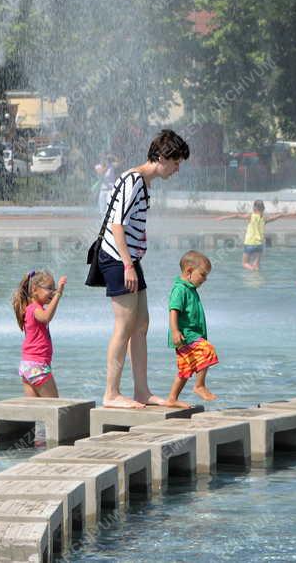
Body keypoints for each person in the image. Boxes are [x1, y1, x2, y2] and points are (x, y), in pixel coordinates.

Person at [99, 129, 190, 409]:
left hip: (129, 260)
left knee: (141, 325)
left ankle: (142, 391)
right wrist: (127, 264)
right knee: (124, 326)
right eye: (175, 163)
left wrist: (133, 260)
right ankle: (111, 394)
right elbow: (116, 225)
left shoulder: (142, 183)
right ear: (162, 157)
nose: (177, 169)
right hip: (117, 259)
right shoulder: (133, 180)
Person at [165, 251, 219, 407]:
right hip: (185, 335)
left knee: (185, 369)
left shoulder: (189, 288)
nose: (205, 279)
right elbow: (173, 310)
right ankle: (199, 385)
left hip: (189, 335)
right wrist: (175, 331)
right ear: (189, 271)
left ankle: (172, 399)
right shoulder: (180, 289)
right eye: (203, 275)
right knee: (207, 349)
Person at [11, 270, 66, 398]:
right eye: (49, 288)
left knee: (34, 410)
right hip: (37, 366)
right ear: (35, 290)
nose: (52, 292)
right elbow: (46, 317)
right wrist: (58, 294)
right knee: (54, 407)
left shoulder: (31, 309)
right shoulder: (34, 309)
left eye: (54, 288)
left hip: (28, 366)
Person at [217, 200, 290, 270]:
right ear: (263, 208)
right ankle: (257, 279)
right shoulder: (264, 218)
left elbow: (237, 216)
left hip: (250, 243)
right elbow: (278, 216)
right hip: (260, 244)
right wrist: (293, 213)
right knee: (256, 264)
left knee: (245, 263)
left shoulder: (251, 216)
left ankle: (252, 271)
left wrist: (224, 217)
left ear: (254, 207)